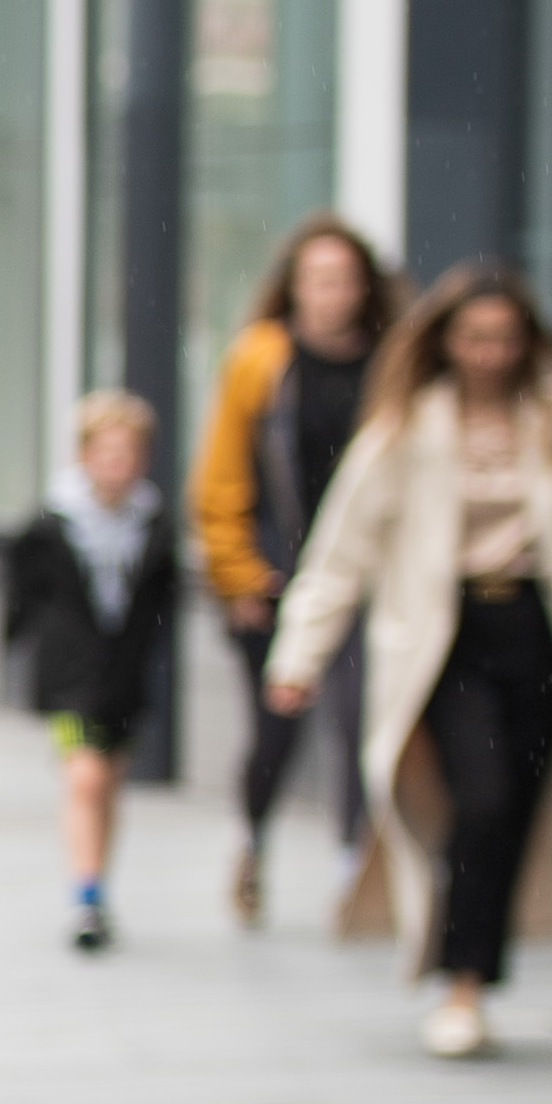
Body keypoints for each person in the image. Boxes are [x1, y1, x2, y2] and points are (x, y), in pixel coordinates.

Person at [263, 261, 552, 1062]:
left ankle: (471, 972)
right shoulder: (407, 425)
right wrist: (299, 656)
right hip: (443, 636)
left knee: (515, 811)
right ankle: (459, 979)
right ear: (445, 341)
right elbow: (339, 549)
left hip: (539, 630)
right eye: (473, 337)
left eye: (503, 338)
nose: (489, 353)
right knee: (483, 796)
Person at [196, 214, 401, 926]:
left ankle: (356, 863)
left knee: (361, 721)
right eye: (317, 279)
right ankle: (251, 842)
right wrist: (238, 574)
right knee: (276, 728)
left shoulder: (390, 360)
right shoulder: (260, 358)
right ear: (293, 286)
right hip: (278, 573)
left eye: (343, 279)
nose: (331, 294)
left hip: (361, 576)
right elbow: (219, 476)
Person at [4, 388, 180, 955]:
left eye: (127, 453)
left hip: (124, 678)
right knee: (85, 778)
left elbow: (162, 604)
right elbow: (23, 597)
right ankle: (83, 895)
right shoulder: (51, 524)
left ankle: (97, 885)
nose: (117, 465)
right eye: (106, 452)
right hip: (70, 677)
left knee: (110, 783)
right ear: (84, 456)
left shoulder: (154, 526)